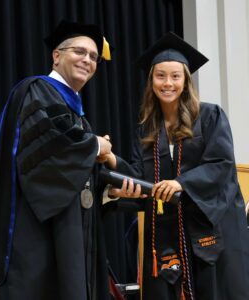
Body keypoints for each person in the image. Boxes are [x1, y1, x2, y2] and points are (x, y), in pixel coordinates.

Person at [101, 32, 249, 299]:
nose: (167, 83)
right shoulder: (147, 129)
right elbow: (140, 178)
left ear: (185, 81)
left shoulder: (209, 116)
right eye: (160, 76)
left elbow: (221, 163)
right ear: (151, 81)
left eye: (175, 76)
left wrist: (181, 183)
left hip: (210, 229)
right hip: (167, 232)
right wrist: (112, 162)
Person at [0, 20, 113, 300]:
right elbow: (50, 149)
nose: (87, 60)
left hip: (67, 237)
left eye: (94, 56)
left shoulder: (76, 112)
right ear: (56, 55)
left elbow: (73, 176)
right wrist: (96, 144)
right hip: (37, 238)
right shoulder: (37, 90)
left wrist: (108, 190)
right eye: (79, 52)